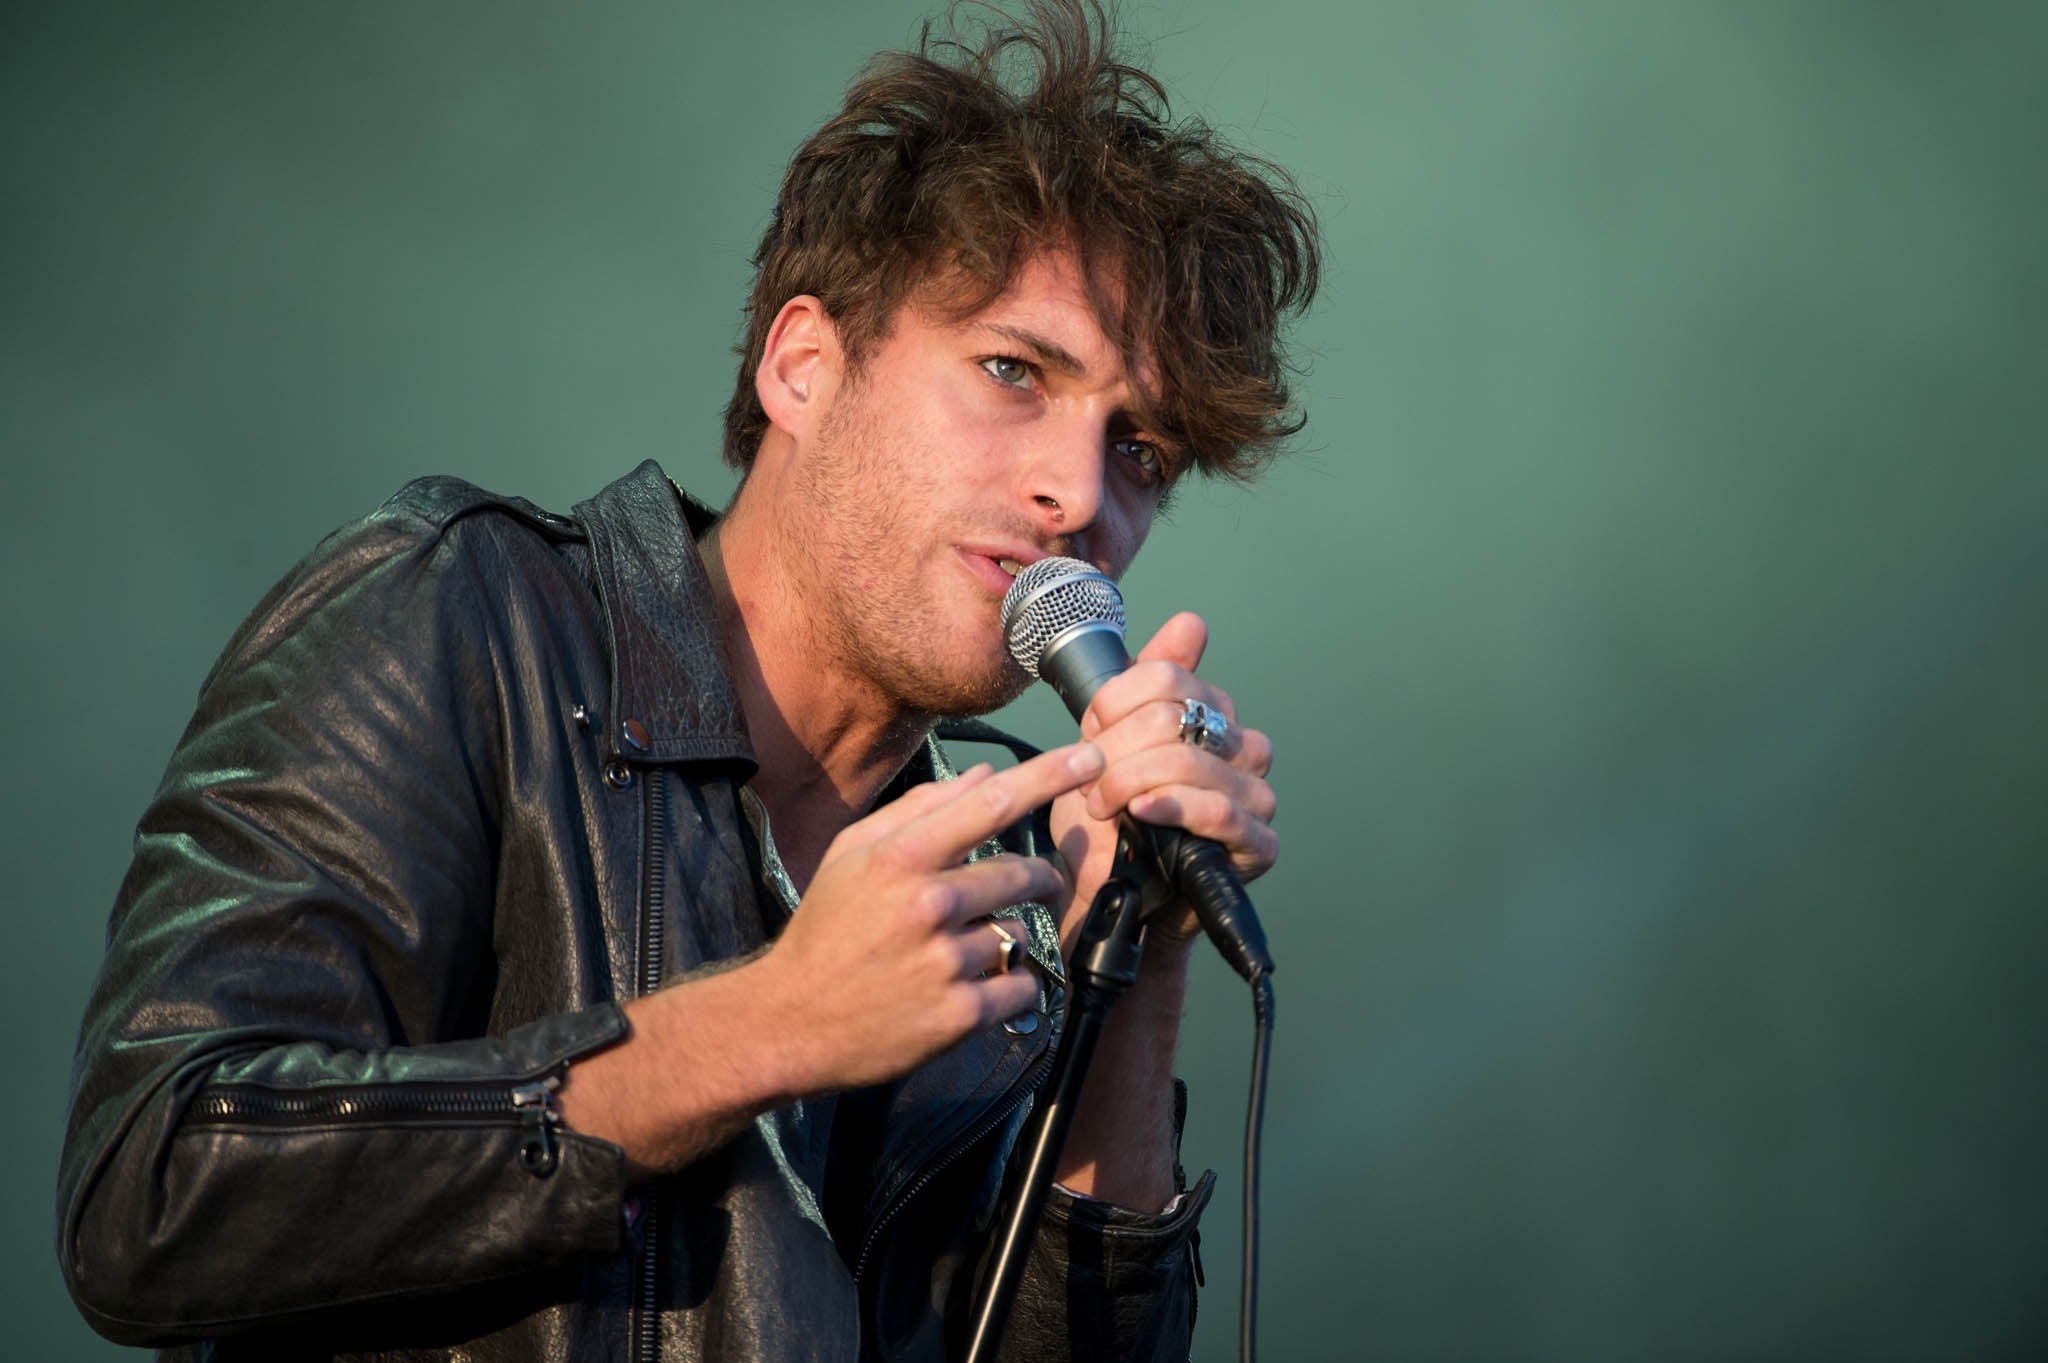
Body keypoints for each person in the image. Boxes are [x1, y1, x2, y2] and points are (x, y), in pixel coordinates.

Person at [56, 2, 1319, 1358]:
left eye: (1138, 450)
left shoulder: (1017, 859)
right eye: (1013, 372)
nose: (1077, 493)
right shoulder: (462, 614)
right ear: (803, 366)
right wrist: (771, 1025)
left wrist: (1134, 964)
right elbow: (155, 1187)